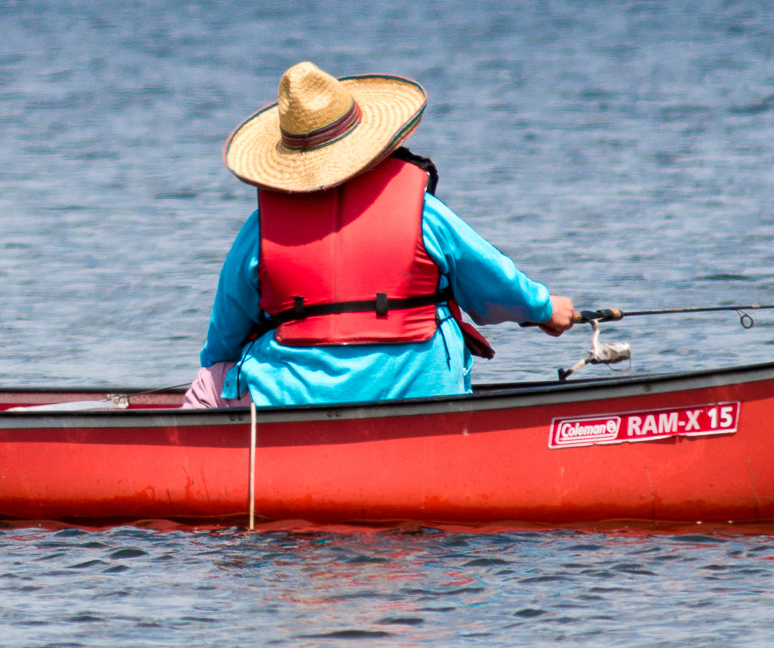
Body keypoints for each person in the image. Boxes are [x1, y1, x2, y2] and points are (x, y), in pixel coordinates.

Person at [185, 61, 576, 409]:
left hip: (291, 401)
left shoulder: (262, 230)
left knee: (211, 378)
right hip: (420, 391)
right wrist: (545, 310)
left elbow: (223, 339)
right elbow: (495, 282)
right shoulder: (423, 213)